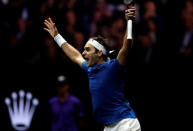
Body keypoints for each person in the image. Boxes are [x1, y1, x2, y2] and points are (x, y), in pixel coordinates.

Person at [44, 6, 141, 131]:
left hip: (126, 124)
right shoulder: (90, 69)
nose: (83, 53)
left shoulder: (114, 67)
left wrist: (129, 21)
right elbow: (75, 56)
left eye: (87, 49)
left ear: (99, 53)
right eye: (84, 49)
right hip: (109, 126)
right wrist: (57, 36)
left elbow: (126, 47)